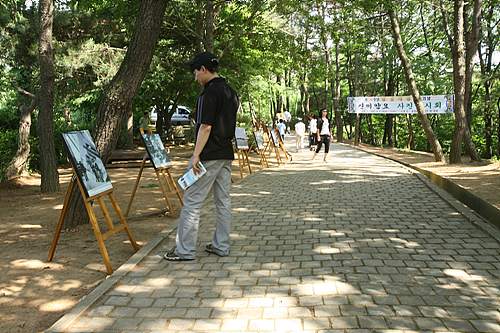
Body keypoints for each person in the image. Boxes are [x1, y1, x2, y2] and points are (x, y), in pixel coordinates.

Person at [164, 52, 239, 261]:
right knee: (223, 201)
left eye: (196, 72)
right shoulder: (231, 92)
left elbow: (205, 127)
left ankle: (184, 250)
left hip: (208, 156)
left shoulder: (209, 94)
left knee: (192, 201)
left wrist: (195, 155)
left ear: (204, 69)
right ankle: (221, 246)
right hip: (225, 154)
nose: (195, 76)